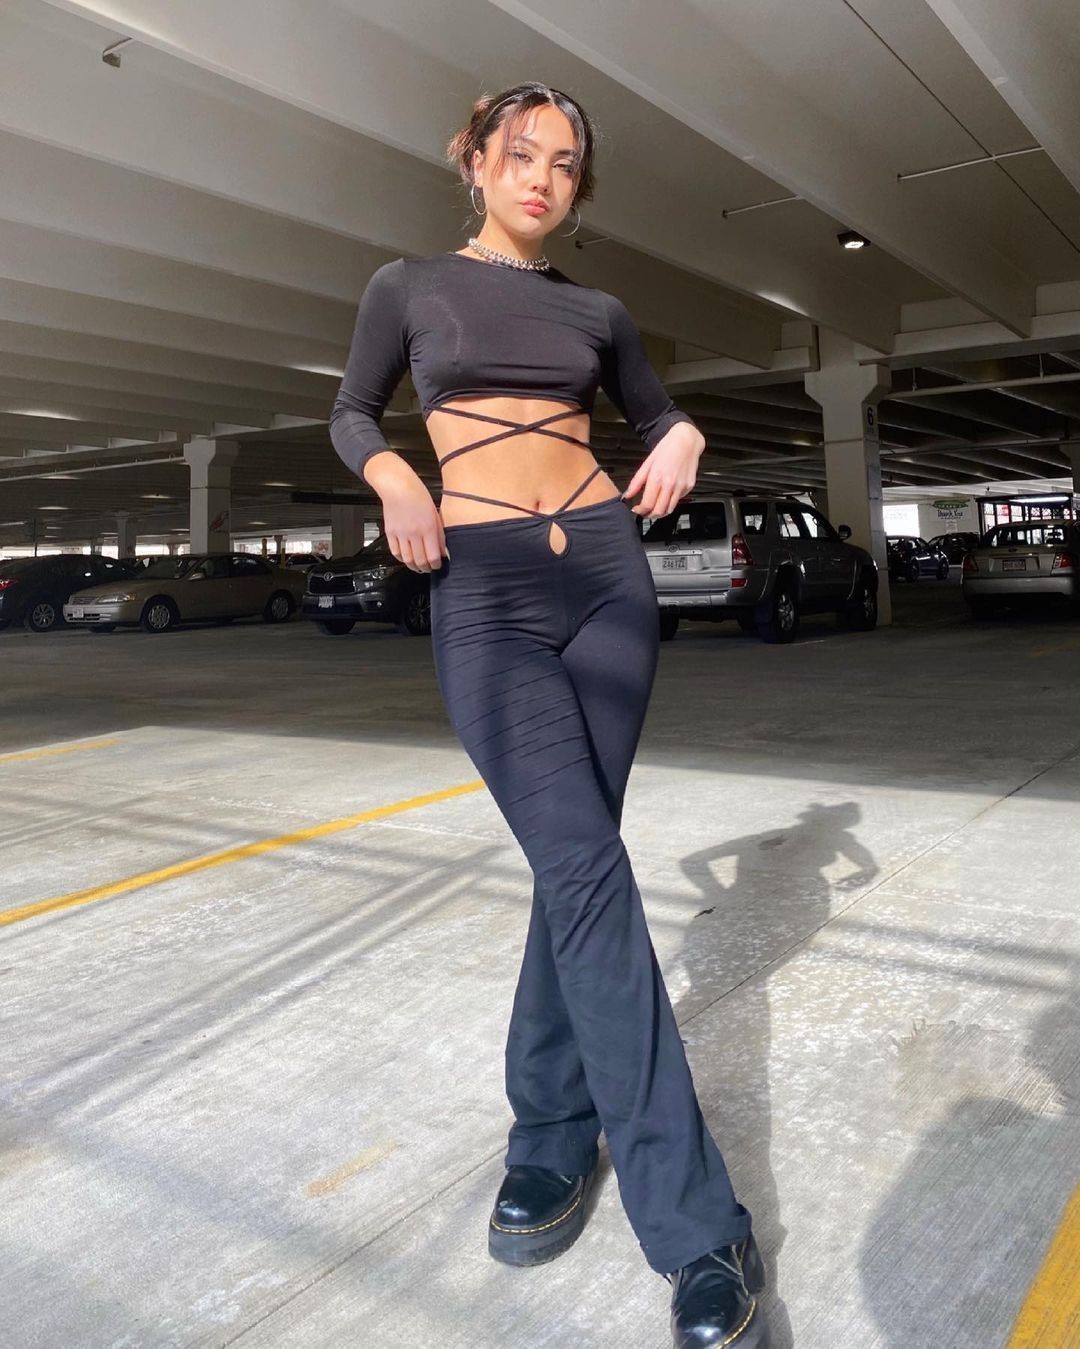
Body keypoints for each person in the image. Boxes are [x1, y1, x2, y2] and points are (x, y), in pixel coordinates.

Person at [328, 81, 767, 1349]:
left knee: (576, 867)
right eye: (520, 153)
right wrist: (395, 473)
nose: (541, 176)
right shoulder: (408, 285)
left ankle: (551, 1132)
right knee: (581, 868)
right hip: (488, 589)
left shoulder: (599, 311)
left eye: (565, 163)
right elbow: (351, 410)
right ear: (473, 159)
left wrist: (681, 435)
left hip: (610, 585)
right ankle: (697, 1223)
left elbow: (658, 411)